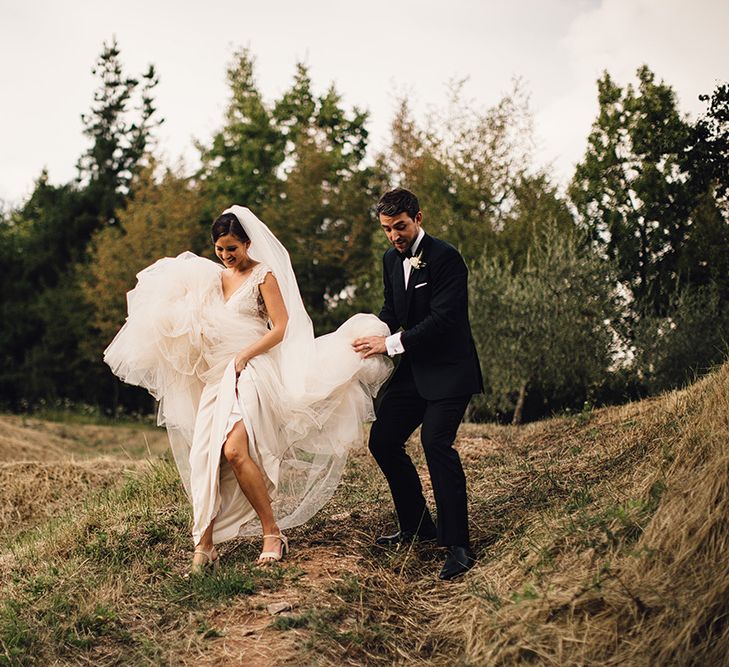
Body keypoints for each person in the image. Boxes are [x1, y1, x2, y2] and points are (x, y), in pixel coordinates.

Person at [104, 206, 392, 572]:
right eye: (220, 249)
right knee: (205, 457)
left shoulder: (263, 275)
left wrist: (244, 355)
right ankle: (204, 544)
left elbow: (281, 327)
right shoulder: (211, 280)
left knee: (236, 450)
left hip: (253, 369)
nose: (226, 255)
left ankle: (272, 533)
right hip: (217, 377)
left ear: (247, 243)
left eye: (232, 248)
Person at [353, 188, 483, 581]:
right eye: (387, 229)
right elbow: (393, 311)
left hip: (450, 369)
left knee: (435, 443)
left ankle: (458, 545)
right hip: (413, 369)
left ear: (418, 218)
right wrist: (365, 335)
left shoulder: (447, 258)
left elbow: (444, 320)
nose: (394, 235)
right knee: (383, 440)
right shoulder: (391, 260)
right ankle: (416, 525)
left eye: (401, 226)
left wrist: (389, 344)